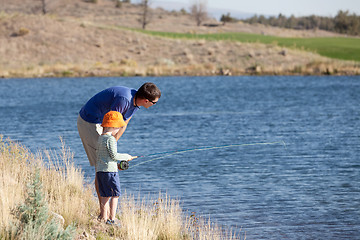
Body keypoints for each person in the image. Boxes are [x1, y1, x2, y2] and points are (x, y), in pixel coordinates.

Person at [77, 82, 161, 201]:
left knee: (107, 162)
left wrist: (112, 150)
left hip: (102, 124)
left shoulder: (136, 103)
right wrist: (110, 154)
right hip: (90, 121)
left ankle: (106, 211)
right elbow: (111, 124)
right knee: (101, 166)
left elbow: (123, 125)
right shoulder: (124, 100)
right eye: (155, 103)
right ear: (146, 100)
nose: (155, 105)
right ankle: (103, 212)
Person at [96, 111, 137, 224]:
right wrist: (127, 156)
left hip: (100, 171)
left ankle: (104, 218)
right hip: (110, 172)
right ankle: (112, 219)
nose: (119, 129)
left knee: (104, 195)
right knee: (115, 195)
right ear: (113, 126)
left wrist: (116, 165)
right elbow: (114, 155)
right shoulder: (111, 139)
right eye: (119, 127)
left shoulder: (100, 138)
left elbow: (104, 156)